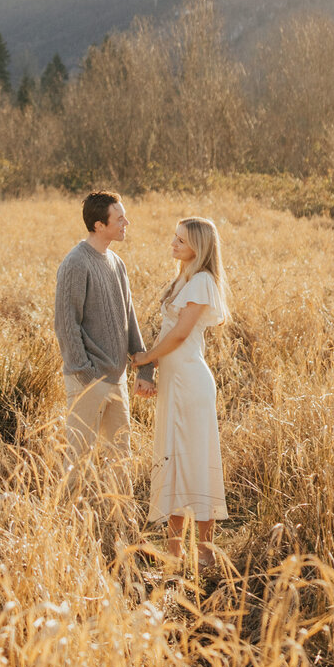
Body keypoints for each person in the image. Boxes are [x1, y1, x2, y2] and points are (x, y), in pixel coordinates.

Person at [132, 215, 230, 567]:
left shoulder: (202, 281)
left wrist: (146, 356)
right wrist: (149, 369)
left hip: (191, 382)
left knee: (196, 461)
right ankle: (175, 552)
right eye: (174, 237)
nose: (173, 244)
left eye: (181, 241)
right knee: (172, 458)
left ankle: (204, 553)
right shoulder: (182, 279)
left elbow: (179, 335)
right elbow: (167, 334)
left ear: (198, 249)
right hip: (175, 381)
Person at [54, 191, 156, 516]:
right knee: (78, 458)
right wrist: (85, 374)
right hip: (88, 379)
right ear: (100, 225)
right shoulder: (75, 263)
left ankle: (119, 524)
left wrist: (144, 368)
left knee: (121, 458)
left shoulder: (117, 263)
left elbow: (129, 318)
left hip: (118, 379)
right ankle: (66, 526)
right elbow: (65, 323)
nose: (127, 222)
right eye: (120, 218)